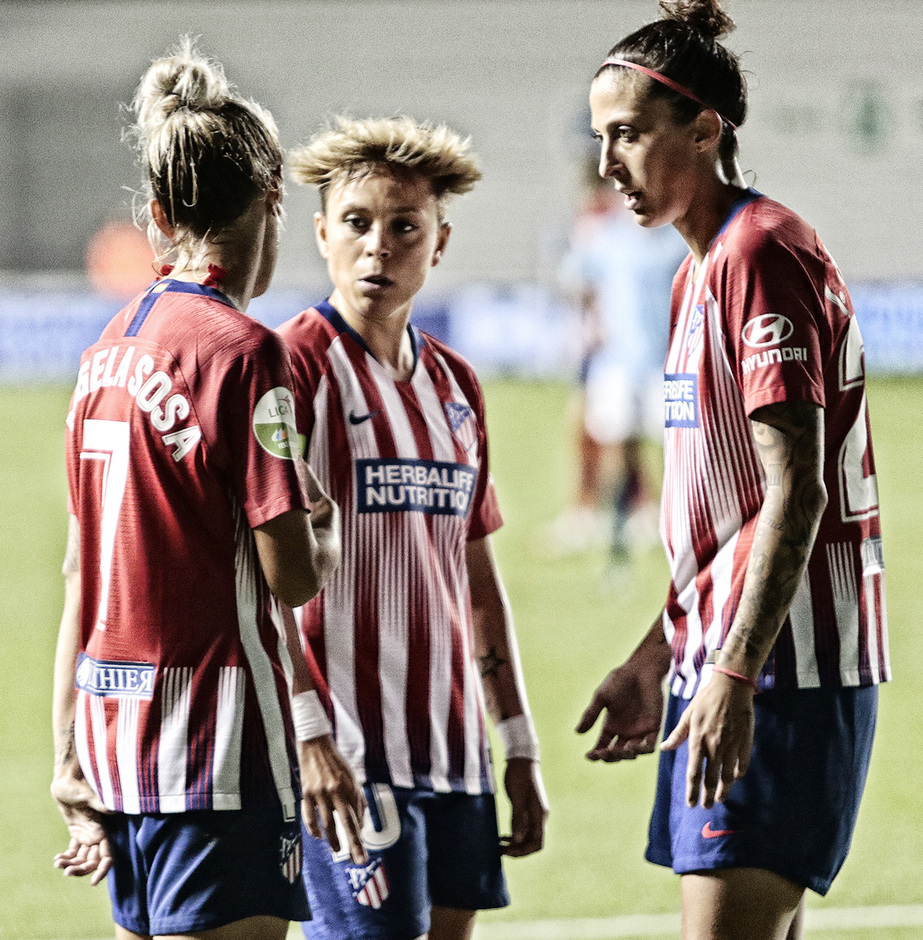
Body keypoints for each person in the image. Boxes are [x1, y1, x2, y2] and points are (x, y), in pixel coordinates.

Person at [575, 2, 890, 938]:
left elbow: (798, 488)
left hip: (783, 670)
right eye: (602, 138)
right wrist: (658, 650)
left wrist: (734, 673)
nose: (608, 165)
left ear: (706, 130)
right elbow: (728, 515)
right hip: (730, 661)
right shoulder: (699, 271)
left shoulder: (757, 253)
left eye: (628, 134)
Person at [50, 40, 366, 940]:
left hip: (114, 743)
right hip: (216, 750)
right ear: (273, 200)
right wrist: (325, 527)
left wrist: (67, 750)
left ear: (157, 212)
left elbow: (82, 571)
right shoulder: (245, 352)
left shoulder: (103, 352)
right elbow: (294, 578)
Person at [278, 115, 549, 940]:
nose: (378, 249)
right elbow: (253, 571)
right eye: (357, 224)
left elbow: (476, 576)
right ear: (322, 233)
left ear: (440, 243)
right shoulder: (293, 367)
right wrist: (311, 736)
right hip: (353, 755)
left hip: (456, 750)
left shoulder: (457, 385)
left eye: (405, 228)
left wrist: (518, 743)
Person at [548, 163, 687, 563]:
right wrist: (591, 324)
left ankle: (672, 517)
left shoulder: (673, 241)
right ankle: (619, 519)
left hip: (667, 361)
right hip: (617, 362)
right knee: (616, 442)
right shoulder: (606, 238)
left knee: (675, 446)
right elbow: (576, 279)